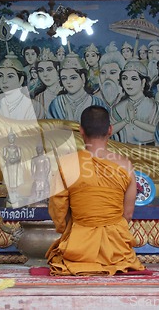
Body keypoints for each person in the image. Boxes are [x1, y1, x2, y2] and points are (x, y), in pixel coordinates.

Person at [46, 105, 145, 275]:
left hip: (78, 250)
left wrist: (77, 230)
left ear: (81, 131)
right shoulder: (125, 165)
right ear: (110, 130)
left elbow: (59, 211)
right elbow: (127, 215)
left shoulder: (67, 164)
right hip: (116, 252)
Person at [111, 59, 159, 145]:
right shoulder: (117, 108)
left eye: (134, 79)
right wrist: (126, 121)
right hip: (122, 151)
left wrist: (134, 121)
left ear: (143, 82)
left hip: (147, 152)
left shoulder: (154, 107)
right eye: (124, 78)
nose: (128, 83)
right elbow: (107, 132)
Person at [48, 52, 107, 123]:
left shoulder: (97, 102)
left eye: (73, 78)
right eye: (64, 78)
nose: (68, 82)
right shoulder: (57, 103)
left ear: (83, 78)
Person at [93, 42, 126, 109]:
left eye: (112, 73)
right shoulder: (93, 100)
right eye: (103, 73)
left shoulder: (127, 99)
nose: (107, 77)